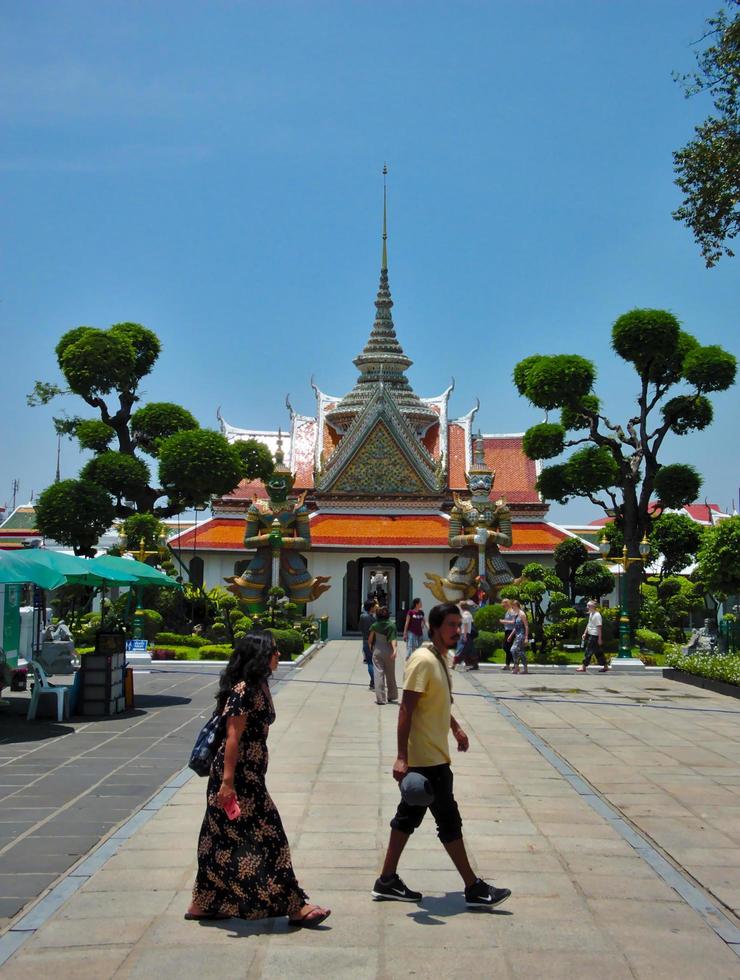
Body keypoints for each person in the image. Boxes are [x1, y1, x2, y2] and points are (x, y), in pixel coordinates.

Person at [372, 602, 511, 909]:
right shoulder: (423, 660)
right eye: (451, 625)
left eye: (458, 625)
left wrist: (457, 729)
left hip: (435, 756)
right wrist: (400, 756)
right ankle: (473, 887)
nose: (457, 631)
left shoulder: (439, 659)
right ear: (434, 627)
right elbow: (407, 708)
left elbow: (437, 702)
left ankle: (386, 880)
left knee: (406, 820)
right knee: (448, 822)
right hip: (425, 761)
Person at [187, 631, 330, 927]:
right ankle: (295, 905)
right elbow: (232, 738)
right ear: (260, 656)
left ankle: (202, 903)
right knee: (271, 838)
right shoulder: (243, 690)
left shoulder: (261, 685)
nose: (279, 655)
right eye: (274, 651)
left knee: (217, 839)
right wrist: (227, 784)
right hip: (238, 777)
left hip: (251, 774)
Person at [369, 606, 398, 705]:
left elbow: (370, 639)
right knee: (390, 674)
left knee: (378, 674)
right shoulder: (391, 626)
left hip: (377, 650)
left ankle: (381, 698)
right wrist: (394, 650)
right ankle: (392, 695)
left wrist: (371, 648)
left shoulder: (374, 625)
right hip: (389, 650)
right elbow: (393, 639)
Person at [576, 600, 608, 672]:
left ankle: (583, 666)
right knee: (598, 652)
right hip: (591, 635)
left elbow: (599, 627)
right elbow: (589, 624)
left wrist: (600, 639)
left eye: (589, 606)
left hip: (594, 636)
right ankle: (605, 666)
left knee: (588, 651)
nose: (587, 607)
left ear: (593, 607)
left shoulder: (597, 615)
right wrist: (585, 633)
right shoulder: (591, 614)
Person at [507, 600, 529, 674]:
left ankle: (517, 667)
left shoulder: (522, 614)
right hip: (517, 635)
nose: (512, 608)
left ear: (516, 606)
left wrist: (526, 637)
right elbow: (515, 627)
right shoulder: (516, 615)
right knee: (521, 652)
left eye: (512, 606)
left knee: (513, 650)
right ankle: (521, 668)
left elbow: (526, 626)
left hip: (522, 635)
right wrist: (510, 636)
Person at [359, 599, 377, 689]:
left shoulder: (362, 617)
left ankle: (372, 680)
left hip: (365, 641)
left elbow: (361, 628)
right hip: (373, 642)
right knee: (374, 663)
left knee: (370, 662)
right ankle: (374, 680)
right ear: (371, 608)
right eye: (374, 606)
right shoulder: (374, 619)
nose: (375, 608)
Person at [500, 598, 516, 671]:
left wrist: (504, 621)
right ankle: (508, 665)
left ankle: (515, 663)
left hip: (511, 631)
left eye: (503, 603)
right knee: (507, 648)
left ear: (507, 603)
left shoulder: (511, 611)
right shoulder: (508, 611)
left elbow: (514, 622)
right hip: (507, 631)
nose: (502, 605)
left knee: (507, 647)